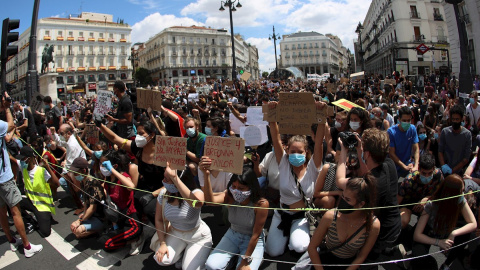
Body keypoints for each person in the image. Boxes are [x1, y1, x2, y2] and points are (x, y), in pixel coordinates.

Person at [265, 101, 326, 257]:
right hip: (282, 213)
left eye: (300, 151)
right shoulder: (284, 163)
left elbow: (319, 142)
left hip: (302, 216)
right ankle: (283, 237)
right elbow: (276, 139)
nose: (296, 154)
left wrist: (321, 116)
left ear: (306, 152)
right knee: (273, 251)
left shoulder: (313, 167)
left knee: (299, 246)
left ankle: (294, 238)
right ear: (287, 151)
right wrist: (272, 115)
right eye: (293, 151)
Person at [336, 128, 401, 267]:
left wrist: (343, 152)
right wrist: (361, 153)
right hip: (393, 225)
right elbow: (370, 171)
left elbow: (340, 180)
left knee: (369, 261)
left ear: (368, 153)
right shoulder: (389, 164)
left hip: (380, 235)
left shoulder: (367, 185)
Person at [299, 176, 380, 270]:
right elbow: (312, 247)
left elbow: (361, 256)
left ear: (361, 204)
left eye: (348, 200)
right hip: (324, 262)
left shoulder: (373, 224)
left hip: (349, 266)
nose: (343, 202)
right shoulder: (330, 216)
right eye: (343, 197)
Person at [202, 162, 269, 270]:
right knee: (211, 266)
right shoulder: (230, 196)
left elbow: (255, 235)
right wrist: (206, 175)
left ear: (251, 187)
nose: (236, 191)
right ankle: (232, 259)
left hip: (252, 240)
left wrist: (245, 259)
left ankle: (241, 259)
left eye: (241, 188)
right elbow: (210, 202)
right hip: (232, 235)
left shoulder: (261, 204)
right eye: (234, 186)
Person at [0, 93, 43, 257]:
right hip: (3, 177)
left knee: (1, 211)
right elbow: (10, 126)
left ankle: (11, 240)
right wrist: (7, 108)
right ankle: (26, 246)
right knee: (15, 211)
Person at [98, 118, 164, 224]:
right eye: (137, 133)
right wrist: (101, 126)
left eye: (141, 133)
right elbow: (115, 138)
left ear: (151, 135)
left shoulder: (162, 154)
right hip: (146, 188)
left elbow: (172, 182)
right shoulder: (137, 148)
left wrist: (153, 195)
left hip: (164, 190)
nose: (138, 137)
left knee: (150, 208)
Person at [153, 162, 212, 269]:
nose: (164, 182)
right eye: (164, 178)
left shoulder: (197, 192)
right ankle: (182, 253)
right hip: (176, 234)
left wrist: (175, 178)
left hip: (197, 237)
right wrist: (162, 243)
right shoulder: (163, 194)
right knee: (161, 259)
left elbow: (196, 204)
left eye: (168, 179)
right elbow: (159, 220)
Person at [411, 174, 477, 269]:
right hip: (430, 231)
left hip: (446, 231)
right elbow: (417, 235)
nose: (463, 193)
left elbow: (473, 223)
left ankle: (447, 264)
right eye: (461, 191)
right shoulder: (432, 204)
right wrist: (439, 242)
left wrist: (454, 233)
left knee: (465, 234)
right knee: (419, 256)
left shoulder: (461, 200)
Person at [99, 150, 144, 255]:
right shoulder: (108, 179)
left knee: (106, 243)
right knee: (104, 240)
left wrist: (113, 170)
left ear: (114, 166)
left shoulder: (123, 177)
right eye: (101, 164)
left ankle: (136, 239)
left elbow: (131, 187)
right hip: (119, 220)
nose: (101, 167)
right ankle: (126, 238)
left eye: (104, 165)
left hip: (131, 222)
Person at [15, 146, 58, 237]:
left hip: (42, 205)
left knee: (45, 233)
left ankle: (45, 216)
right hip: (31, 201)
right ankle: (32, 221)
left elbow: (56, 184)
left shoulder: (40, 171)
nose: (22, 161)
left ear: (29, 158)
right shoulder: (24, 169)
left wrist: (48, 168)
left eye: (23, 158)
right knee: (14, 202)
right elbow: (12, 159)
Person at [397, 154, 443, 229]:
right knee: (403, 221)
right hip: (408, 205)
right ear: (419, 169)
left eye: (430, 173)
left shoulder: (438, 175)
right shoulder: (409, 180)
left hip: (427, 205)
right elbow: (397, 202)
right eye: (424, 173)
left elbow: (440, 193)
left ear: (434, 169)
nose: (427, 176)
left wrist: (427, 199)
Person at [50, 124, 86, 214]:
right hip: (74, 168)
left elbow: (71, 163)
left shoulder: (73, 144)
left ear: (68, 133)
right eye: (59, 133)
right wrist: (54, 133)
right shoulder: (69, 140)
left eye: (61, 133)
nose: (60, 135)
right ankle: (79, 196)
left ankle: (81, 200)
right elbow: (60, 143)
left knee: (64, 182)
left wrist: (65, 172)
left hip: (78, 169)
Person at [69, 157, 105, 239]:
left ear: (84, 171)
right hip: (92, 216)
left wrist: (80, 221)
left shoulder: (93, 183)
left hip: (100, 217)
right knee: (73, 227)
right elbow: (86, 203)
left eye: (76, 173)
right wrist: (84, 215)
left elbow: (92, 208)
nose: (74, 175)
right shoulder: (83, 182)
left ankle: (101, 229)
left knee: (78, 232)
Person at [439, 105, 472, 175]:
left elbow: (466, 158)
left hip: (458, 172)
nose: (455, 121)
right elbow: (440, 151)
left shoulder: (467, 134)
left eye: (457, 119)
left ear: (461, 119)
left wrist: (452, 170)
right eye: (453, 119)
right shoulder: (445, 132)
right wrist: (443, 166)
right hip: (445, 169)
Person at [388, 106, 420, 177]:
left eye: (409, 120)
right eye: (404, 120)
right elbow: (391, 153)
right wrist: (404, 167)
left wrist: (416, 165)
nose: (407, 123)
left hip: (408, 163)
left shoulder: (412, 129)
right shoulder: (391, 132)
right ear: (399, 119)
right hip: (394, 166)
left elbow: (416, 149)